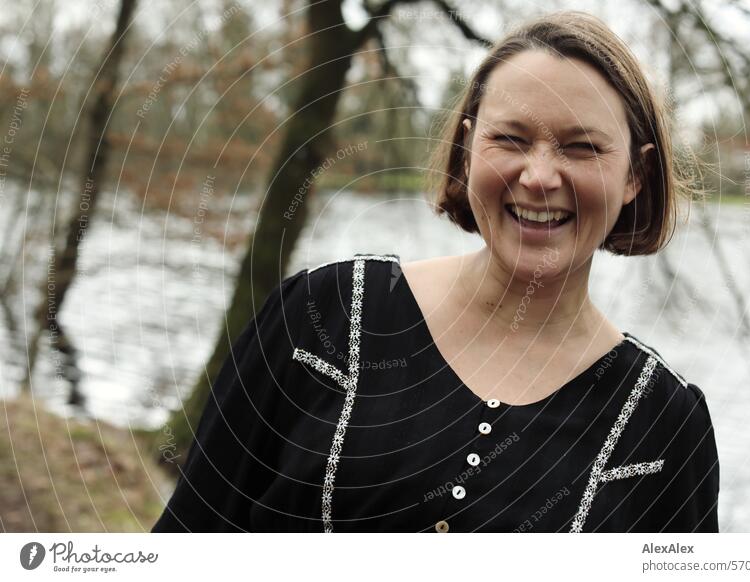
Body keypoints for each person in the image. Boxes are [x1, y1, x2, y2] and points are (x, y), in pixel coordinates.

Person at [152, 11, 719, 533]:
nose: (540, 176)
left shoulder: (661, 427)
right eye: (510, 139)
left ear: (635, 176)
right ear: (469, 146)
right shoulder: (319, 320)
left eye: (582, 148)